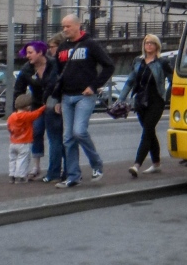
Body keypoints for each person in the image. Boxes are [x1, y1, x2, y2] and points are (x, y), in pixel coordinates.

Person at [51, 14, 115, 188]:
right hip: (66, 96)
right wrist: (57, 98)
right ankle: (73, 176)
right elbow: (60, 74)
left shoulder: (90, 44)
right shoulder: (63, 47)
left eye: (68, 26)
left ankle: (96, 164)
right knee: (67, 138)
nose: (64, 29)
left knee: (79, 132)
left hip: (84, 96)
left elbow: (109, 66)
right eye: (63, 26)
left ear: (78, 26)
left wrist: (94, 86)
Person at [119, 34, 171, 177]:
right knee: (150, 132)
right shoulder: (138, 61)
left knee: (147, 131)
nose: (149, 45)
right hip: (141, 101)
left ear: (156, 46)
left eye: (152, 43)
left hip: (156, 101)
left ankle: (137, 165)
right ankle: (156, 164)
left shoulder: (162, 63)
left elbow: (173, 80)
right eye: (147, 43)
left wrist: (166, 95)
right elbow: (130, 81)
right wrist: (121, 99)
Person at [13, 40, 57, 180]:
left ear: (40, 52)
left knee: (54, 136)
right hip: (37, 104)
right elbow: (18, 88)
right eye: (27, 53)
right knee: (36, 132)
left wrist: (59, 101)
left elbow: (60, 82)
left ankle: (55, 169)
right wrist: (19, 108)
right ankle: (36, 166)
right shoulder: (27, 69)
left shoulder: (53, 64)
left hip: (53, 104)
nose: (27, 56)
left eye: (30, 53)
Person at [40, 33, 66, 182]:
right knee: (66, 140)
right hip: (63, 102)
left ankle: (54, 172)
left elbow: (52, 82)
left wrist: (46, 98)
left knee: (55, 139)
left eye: (52, 47)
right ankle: (69, 171)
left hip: (54, 102)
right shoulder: (68, 62)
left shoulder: (56, 63)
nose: (49, 50)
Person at [6, 94, 45, 183]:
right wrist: (43, 107)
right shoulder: (26, 115)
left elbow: (8, 126)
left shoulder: (12, 116)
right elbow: (36, 114)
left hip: (13, 142)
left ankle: (12, 175)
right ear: (28, 107)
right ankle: (21, 176)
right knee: (22, 159)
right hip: (24, 142)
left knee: (12, 159)